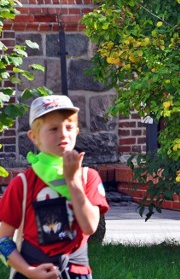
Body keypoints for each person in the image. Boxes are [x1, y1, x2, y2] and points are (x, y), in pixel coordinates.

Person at [0, 95, 109, 279]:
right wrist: (29, 271)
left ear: (76, 131)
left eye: (69, 127)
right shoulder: (23, 183)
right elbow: (3, 240)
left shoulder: (88, 177)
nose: (63, 134)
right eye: (53, 129)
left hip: (75, 273)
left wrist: (73, 181)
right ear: (34, 137)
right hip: (32, 271)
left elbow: (90, 226)